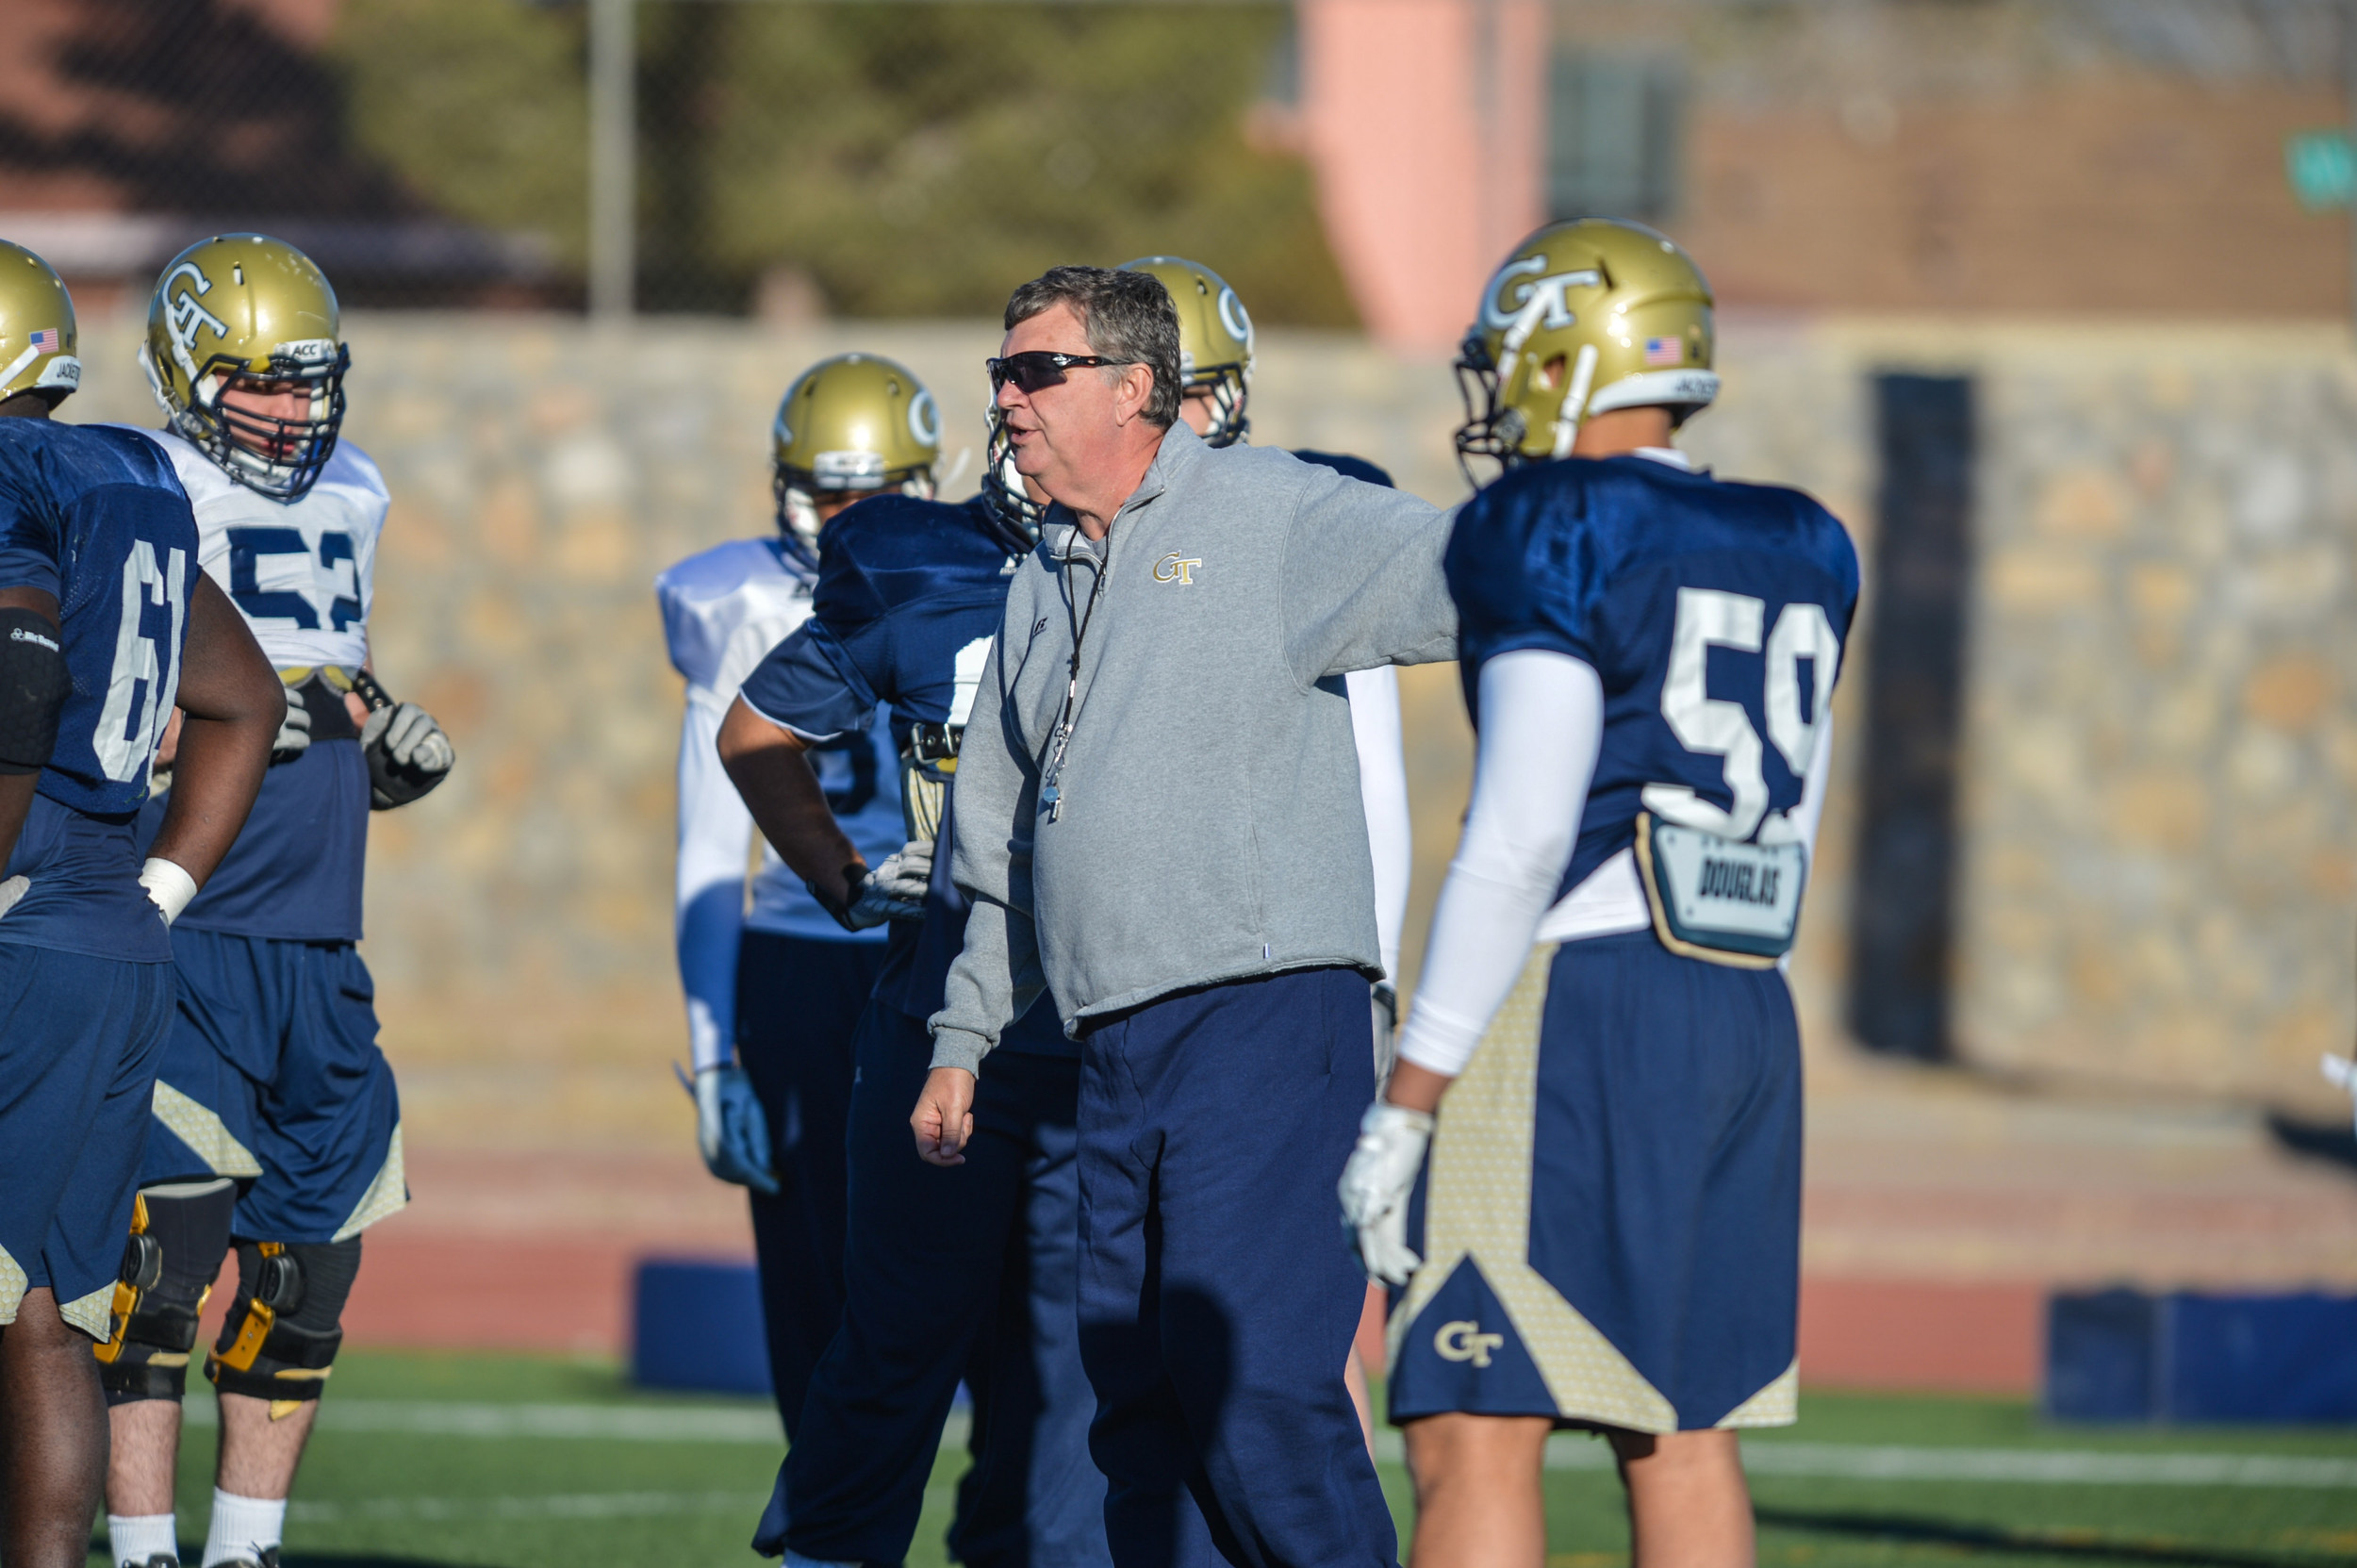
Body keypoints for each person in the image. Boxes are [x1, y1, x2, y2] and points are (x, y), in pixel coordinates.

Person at [913, 265, 1457, 1568]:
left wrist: (1623, 525)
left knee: (1261, 1394)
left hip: (1267, 1017)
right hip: (1113, 1043)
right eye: (1002, 372)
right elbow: (1003, 842)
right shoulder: (1041, 574)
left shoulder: (1271, 508)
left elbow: (1473, 573)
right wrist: (963, 1030)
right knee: (1144, 1408)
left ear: (1137, 387)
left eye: (1036, 370)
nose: (1007, 398)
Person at [1337, 219, 1859, 1568]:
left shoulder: (1552, 520)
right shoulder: (1803, 538)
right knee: (1680, 1425)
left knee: (1471, 1418)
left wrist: (1411, 1094)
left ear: (1571, 354)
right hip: (1744, 1005)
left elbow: (1519, 837)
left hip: (1580, 998)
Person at [96, 234, 457, 1568]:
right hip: (182, 931)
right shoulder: (135, 487)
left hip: (318, 932)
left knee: (307, 1283)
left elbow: (332, 691)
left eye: (311, 382)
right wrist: (233, 722)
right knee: (157, 1271)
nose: (295, 410)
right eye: (260, 381)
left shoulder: (353, 490)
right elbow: (106, 716)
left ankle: (246, 1546)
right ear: (187, 371)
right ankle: (138, 1548)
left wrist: (381, 747)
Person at [720, 430, 1109, 1568]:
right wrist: (842, 877)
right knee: (893, 1341)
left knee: (1077, 1371)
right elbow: (756, 731)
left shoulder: (1185, 576)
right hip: (941, 1015)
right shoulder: (922, 570)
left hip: (1109, 1031)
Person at [0, 239, 281, 1568]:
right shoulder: (127, 472)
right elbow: (248, 696)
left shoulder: (8, 473)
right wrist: (158, 886)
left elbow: (17, 672)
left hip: (31, 900)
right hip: (111, 923)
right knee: (40, 1309)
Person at [1116, 255, 1413, 1445]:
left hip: (1284, 979)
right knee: (1135, 1344)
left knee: (1294, 1336)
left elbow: (1373, 779)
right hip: (1137, 983)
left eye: (1164, 389)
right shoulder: (1079, 544)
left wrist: (1373, 986)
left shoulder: (1300, 517)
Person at [656, 353, 920, 1433]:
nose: (848, 520)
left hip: (944, 951)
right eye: (826, 492)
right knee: (817, 1296)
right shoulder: (741, 598)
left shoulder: (981, 578)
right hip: (805, 960)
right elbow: (715, 846)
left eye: (875, 495)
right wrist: (714, 1052)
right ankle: (830, 1527)